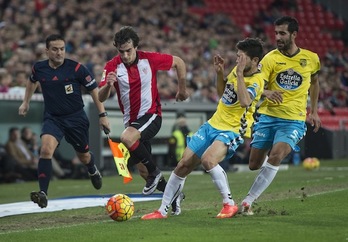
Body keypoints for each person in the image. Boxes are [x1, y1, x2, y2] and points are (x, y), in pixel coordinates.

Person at [141, 37, 265, 220]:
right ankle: (162, 210)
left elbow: (245, 101)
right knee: (183, 164)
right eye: (237, 56)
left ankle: (229, 204)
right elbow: (223, 94)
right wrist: (220, 73)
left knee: (208, 160)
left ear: (254, 60)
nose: (238, 60)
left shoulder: (257, 80)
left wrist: (238, 74)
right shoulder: (237, 72)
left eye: (241, 57)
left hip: (232, 129)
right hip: (213, 124)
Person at [98, 26, 188, 215]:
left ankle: (156, 174)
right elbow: (100, 97)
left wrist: (182, 89)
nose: (125, 55)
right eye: (121, 51)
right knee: (144, 172)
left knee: (127, 139)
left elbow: (179, 62)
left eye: (128, 50)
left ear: (136, 46)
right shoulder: (111, 66)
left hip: (152, 115)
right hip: (132, 124)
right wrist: (108, 85)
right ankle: (175, 195)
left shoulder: (150, 59)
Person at [240, 16, 321, 215]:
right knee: (253, 165)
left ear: (294, 34)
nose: (278, 37)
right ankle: (253, 192)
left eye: (282, 33)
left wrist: (315, 111)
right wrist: (266, 92)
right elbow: (258, 82)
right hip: (268, 117)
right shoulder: (270, 58)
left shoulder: (311, 58)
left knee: (276, 155)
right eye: (276, 33)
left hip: (293, 120)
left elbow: (315, 82)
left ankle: (248, 201)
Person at [18, 34, 110, 208]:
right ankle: (43, 193)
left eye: (62, 49)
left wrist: (102, 115)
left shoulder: (76, 69)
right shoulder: (39, 68)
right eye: (55, 49)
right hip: (53, 117)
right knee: (45, 150)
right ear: (47, 51)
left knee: (83, 156)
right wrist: (26, 102)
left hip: (76, 118)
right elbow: (32, 82)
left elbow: (94, 91)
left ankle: (91, 167)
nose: (59, 52)